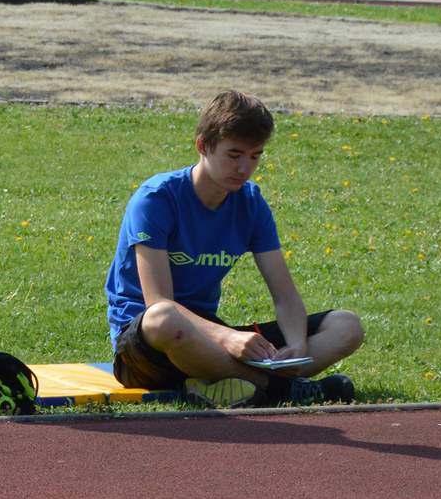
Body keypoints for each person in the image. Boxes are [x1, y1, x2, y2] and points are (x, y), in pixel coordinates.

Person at [105, 89, 363, 408]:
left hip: (208, 337)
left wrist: (296, 346)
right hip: (146, 346)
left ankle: (230, 381)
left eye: (255, 156)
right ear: (203, 146)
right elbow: (158, 301)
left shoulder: (251, 203)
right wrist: (227, 337)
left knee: (346, 325)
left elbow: (285, 296)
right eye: (234, 154)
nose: (244, 168)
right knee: (164, 318)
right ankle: (283, 389)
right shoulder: (156, 199)